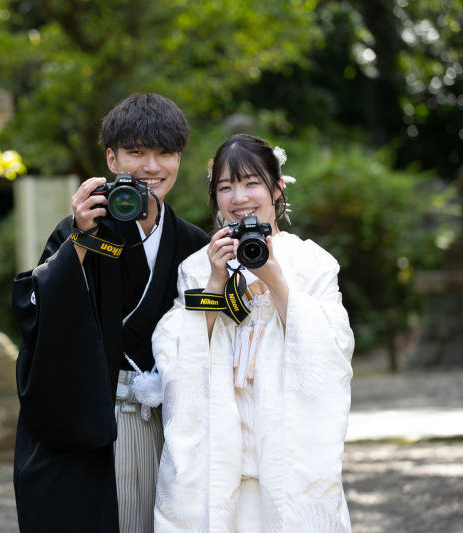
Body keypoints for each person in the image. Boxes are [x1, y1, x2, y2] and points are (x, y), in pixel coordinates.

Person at [12, 93, 210, 533]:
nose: (152, 167)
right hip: (91, 416)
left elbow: (209, 326)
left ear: (180, 158)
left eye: (165, 153)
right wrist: (81, 240)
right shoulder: (82, 230)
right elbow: (36, 313)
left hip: (169, 419)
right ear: (111, 158)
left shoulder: (193, 243)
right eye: (136, 153)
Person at [152, 134, 354, 532]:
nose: (239, 197)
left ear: (277, 188)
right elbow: (178, 354)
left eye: (251, 183)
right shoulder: (197, 266)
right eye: (225, 188)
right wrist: (213, 283)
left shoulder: (314, 262)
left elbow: (334, 347)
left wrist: (276, 279)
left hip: (289, 455)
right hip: (221, 458)